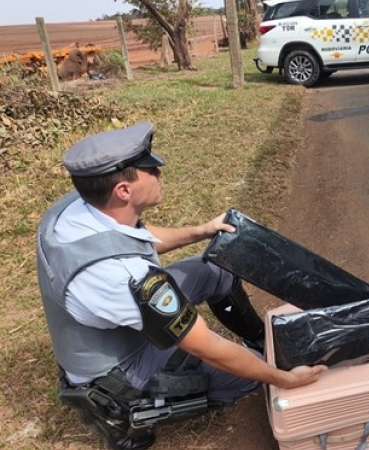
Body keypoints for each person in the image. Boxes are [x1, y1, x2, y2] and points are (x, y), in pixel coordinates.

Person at [36, 122, 327, 450]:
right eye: (151, 170)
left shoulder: (75, 208)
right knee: (245, 373)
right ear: (123, 191)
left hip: (118, 322)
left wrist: (203, 230)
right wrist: (282, 377)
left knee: (214, 269)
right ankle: (121, 416)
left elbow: (135, 239)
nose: (160, 172)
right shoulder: (124, 277)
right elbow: (208, 346)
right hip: (119, 367)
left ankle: (261, 341)